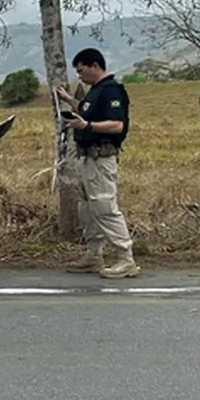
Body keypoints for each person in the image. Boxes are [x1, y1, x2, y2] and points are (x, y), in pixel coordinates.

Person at [55, 48, 138, 279]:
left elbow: (116, 125)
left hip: (101, 158)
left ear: (93, 65)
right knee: (88, 209)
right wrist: (69, 100)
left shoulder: (112, 91)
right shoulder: (95, 92)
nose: (80, 76)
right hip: (87, 158)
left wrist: (87, 127)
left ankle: (125, 258)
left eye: (81, 71)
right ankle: (94, 255)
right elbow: (87, 110)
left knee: (104, 206)